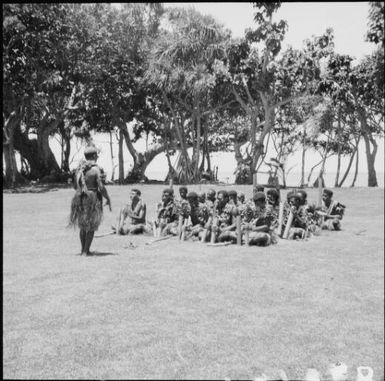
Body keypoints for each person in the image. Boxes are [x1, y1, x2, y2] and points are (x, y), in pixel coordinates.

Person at [69, 145, 111, 255]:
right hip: (92, 197)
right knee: (92, 225)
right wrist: (108, 198)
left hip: (79, 198)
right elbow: (101, 187)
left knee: (82, 225)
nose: (97, 156)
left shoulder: (79, 169)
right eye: (96, 155)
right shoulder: (96, 169)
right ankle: (86, 251)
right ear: (94, 155)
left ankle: (83, 249)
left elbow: (75, 186)